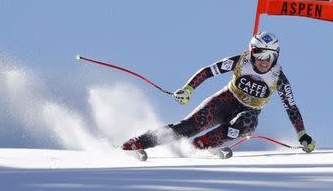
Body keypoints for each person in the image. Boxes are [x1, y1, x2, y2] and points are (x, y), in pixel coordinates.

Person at [122, 31, 315, 153]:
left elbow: (291, 107)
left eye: (271, 56)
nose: (265, 61)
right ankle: (139, 142)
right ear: (251, 52)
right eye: (260, 54)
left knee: (246, 121)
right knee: (187, 127)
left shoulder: (278, 77)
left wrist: (302, 134)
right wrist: (188, 89)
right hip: (225, 101)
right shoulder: (241, 61)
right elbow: (207, 71)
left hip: (248, 113)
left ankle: (201, 146)